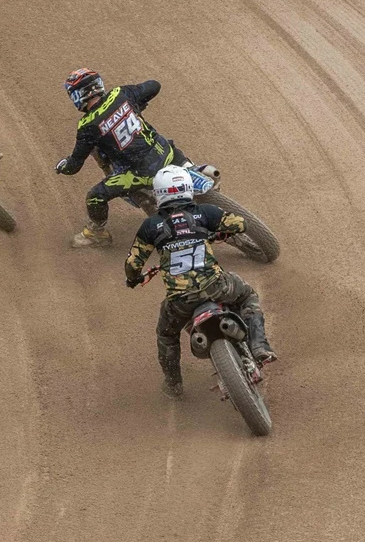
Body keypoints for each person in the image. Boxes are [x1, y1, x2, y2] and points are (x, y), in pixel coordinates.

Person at [123, 166, 277, 398]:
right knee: (247, 295)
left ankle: (173, 385)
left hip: (180, 301)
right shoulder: (204, 212)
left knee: (166, 335)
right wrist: (214, 232)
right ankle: (260, 346)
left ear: (158, 192)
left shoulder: (151, 226)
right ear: (188, 187)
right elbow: (239, 224)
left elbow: (133, 263)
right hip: (216, 286)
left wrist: (134, 278)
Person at [54, 69, 185, 248]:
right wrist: (136, 104)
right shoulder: (120, 94)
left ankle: (96, 233)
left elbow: (74, 166)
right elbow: (155, 85)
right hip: (165, 152)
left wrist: (63, 166)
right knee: (181, 158)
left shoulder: (87, 126)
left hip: (140, 172)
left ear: (78, 95)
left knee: (95, 197)